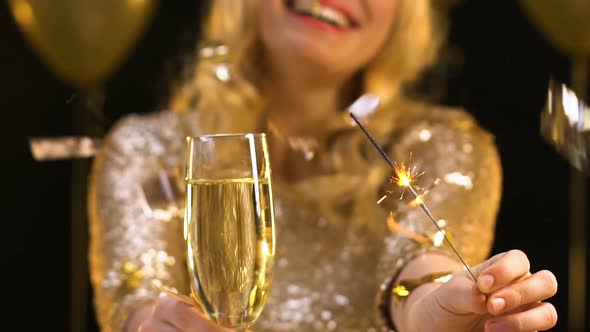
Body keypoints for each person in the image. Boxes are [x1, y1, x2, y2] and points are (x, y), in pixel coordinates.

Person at [88, 0, 558, 331]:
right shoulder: (147, 149)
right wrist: (155, 324)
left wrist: (437, 304)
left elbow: (418, 266)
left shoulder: (444, 144)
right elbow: (136, 296)